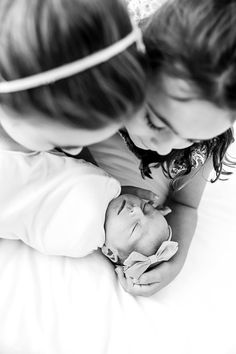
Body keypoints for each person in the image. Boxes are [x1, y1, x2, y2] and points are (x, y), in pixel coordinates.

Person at [88, 0, 236, 296]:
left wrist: (175, 262)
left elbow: (185, 206)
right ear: (132, 69)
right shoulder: (96, 88)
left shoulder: (202, 144)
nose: (167, 148)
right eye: (156, 122)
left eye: (190, 138)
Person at [0, 150, 177, 292]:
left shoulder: (82, 240)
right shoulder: (112, 187)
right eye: (147, 209)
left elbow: (35, 225)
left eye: (134, 227)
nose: (136, 210)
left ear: (110, 253)